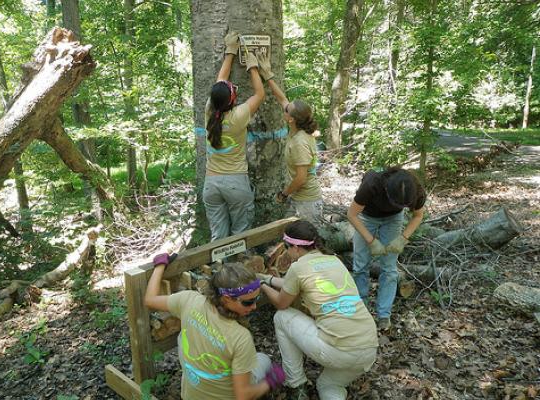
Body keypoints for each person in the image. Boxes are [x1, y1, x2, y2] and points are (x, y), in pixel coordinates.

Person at [259, 220, 378, 400]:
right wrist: (268, 280)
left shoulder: (298, 267)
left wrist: (262, 284)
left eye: (287, 247)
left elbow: (282, 302)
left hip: (339, 351)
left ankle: (296, 385)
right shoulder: (333, 260)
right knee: (328, 385)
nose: (287, 252)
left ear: (296, 248)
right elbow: (295, 285)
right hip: (368, 350)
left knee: (282, 317)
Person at [144, 253, 285, 400]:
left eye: (256, 298)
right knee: (263, 360)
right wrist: (271, 381)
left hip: (190, 396)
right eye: (248, 302)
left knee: (182, 338)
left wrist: (160, 265)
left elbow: (150, 300)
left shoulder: (189, 300)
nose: (254, 306)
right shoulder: (240, 337)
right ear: (226, 298)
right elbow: (243, 396)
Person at [203, 32, 265, 241]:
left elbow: (220, 81)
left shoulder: (210, 111)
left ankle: (218, 268)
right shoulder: (239, 116)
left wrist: (230, 51)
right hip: (236, 183)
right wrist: (253, 66)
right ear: (232, 100)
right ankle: (238, 269)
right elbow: (259, 94)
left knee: (218, 237)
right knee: (240, 235)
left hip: (211, 184)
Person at [347, 167, 426, 331]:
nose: (399, 205)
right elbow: (352, 214)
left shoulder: (415, 190)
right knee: (360, 265)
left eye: (404, 205)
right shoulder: (372, 183)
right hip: (366, 217)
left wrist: (403, 239)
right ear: (387, 191)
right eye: (396, 203)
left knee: (389, 268)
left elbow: (418, 216)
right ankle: (361, 309)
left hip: (393, 221)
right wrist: (371, 240)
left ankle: (384, 315)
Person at [255, 51, 322, 225]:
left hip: (307, 201)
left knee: (307, 242)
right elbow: (282, 99)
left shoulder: (300, 142)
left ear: (290, 118)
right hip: (301, 197)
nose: (284, 107)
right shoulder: (298, 128)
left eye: (287, 109)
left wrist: (284, 194)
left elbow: (301, 178)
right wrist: (268, 74)